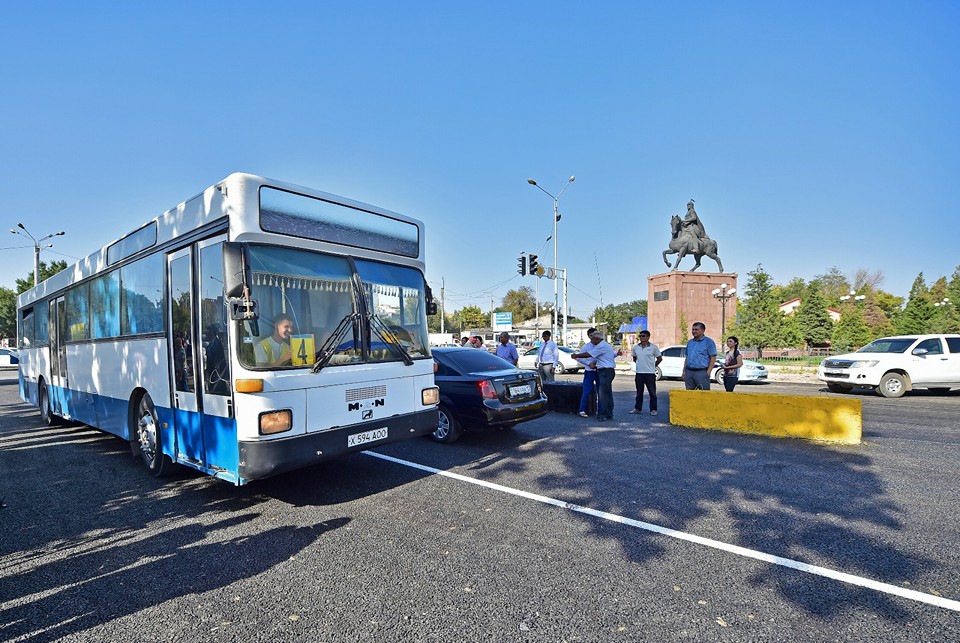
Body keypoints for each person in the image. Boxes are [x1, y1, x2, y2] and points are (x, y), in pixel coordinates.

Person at [573, 330, 617, 421]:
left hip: (605, 371)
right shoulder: (605, 345)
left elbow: (587, 355)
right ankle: (609, 413)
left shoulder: (601, 346)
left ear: (597, 339)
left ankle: (602, 414)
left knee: (603, 394)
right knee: (607, 393)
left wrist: (575, 355)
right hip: (606, 370)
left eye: (593, 339)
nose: (591, 340)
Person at [629, 330, 662, 416]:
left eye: (643, 336)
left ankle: (653, 409)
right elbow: (634, 358)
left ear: (648, 337)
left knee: (652, 393)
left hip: (650, 373)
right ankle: (638, 408)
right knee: (639, 392)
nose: (641, 337)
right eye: (640, 336)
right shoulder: (636, 347)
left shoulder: (653, 347)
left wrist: (653, 365)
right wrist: (639, 364)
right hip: (639, 373)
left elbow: (659, 358)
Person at [682, 321, 717, 390]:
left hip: (702, 372)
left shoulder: (708, 342)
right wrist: (684, 371)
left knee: (703, 393)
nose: (694, 331)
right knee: (689, 393)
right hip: (689, 372)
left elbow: (713, 357)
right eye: (693, 329)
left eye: (696, 329)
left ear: (703, 330)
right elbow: (687, 357)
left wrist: (708, 372)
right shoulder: (690, 342)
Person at [575, 328, 599, 418]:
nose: (594, 337)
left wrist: (617, 354)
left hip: (599, 371)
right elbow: (579, 358)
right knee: (586, 391)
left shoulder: (601, 345)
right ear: (589, 336)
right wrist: (589, 363)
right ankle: (582, 410)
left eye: (595, 335)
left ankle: (600, 410)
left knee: (600, 392)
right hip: (589, 371)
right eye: (592, 335)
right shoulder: (586, 347)